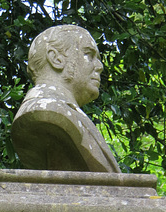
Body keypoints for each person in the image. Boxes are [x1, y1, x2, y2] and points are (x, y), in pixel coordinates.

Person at [11, 25, 121, 173]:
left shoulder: (69, 112)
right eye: (89, 54)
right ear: (56, 58)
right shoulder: (45, 110)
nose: (100, 66)